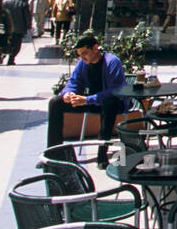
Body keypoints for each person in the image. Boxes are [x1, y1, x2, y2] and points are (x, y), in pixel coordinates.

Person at [46, 34, 127, 168]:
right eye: (79, 54)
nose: (82, 57)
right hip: (91, 102)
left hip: (113, 102)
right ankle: (54, 153)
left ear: (95, 48)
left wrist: (87, 100)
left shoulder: (112, 61)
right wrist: (68, 94)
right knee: (56, 103)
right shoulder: (83, 63)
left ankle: (102, 156)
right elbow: (73, 82)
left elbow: (115, 92)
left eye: (85, 53)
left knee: (109, 105)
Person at [1, 0, 30, 65]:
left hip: (6, 28)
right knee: (16, 45)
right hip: (19, 28)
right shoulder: (23, 3)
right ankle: (11, 59)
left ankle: (2, 56)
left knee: (6, 43)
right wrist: (28, 26)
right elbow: (27, 16)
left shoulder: (5, 2)